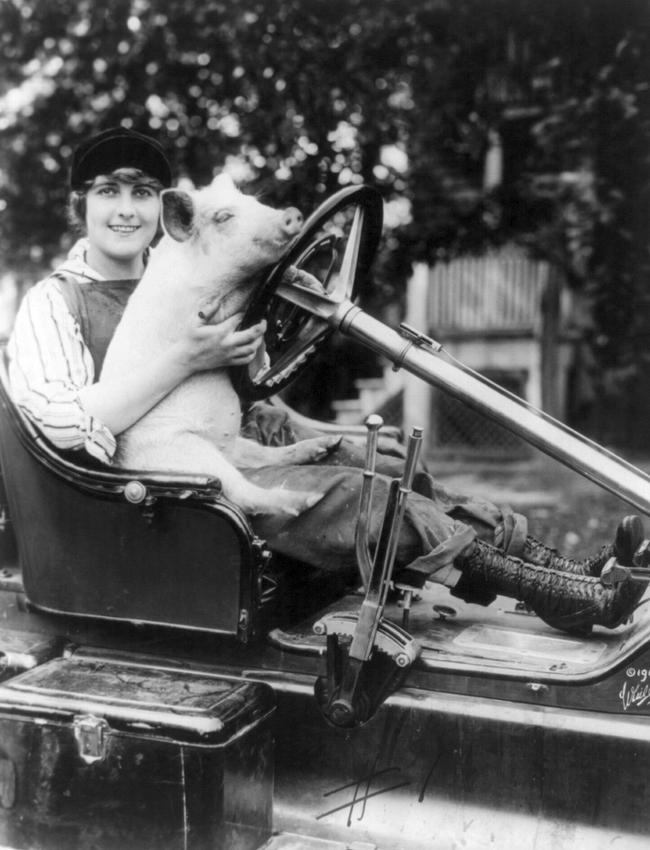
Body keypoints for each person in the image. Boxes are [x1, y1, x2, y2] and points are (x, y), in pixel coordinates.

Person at [7, 126, 648, 637]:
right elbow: (62, 426)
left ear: (165, 208)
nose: (126, 210)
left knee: (385, 458)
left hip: (228, 445)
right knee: (360, 498)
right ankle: (557, 594)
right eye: (107, 193)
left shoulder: (184, 273)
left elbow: (246, 386)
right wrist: (184, 359)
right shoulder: (54, 304)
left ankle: (550, 565)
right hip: (154, 503)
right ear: (79, 206)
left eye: (142, 191)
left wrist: (265, 374)